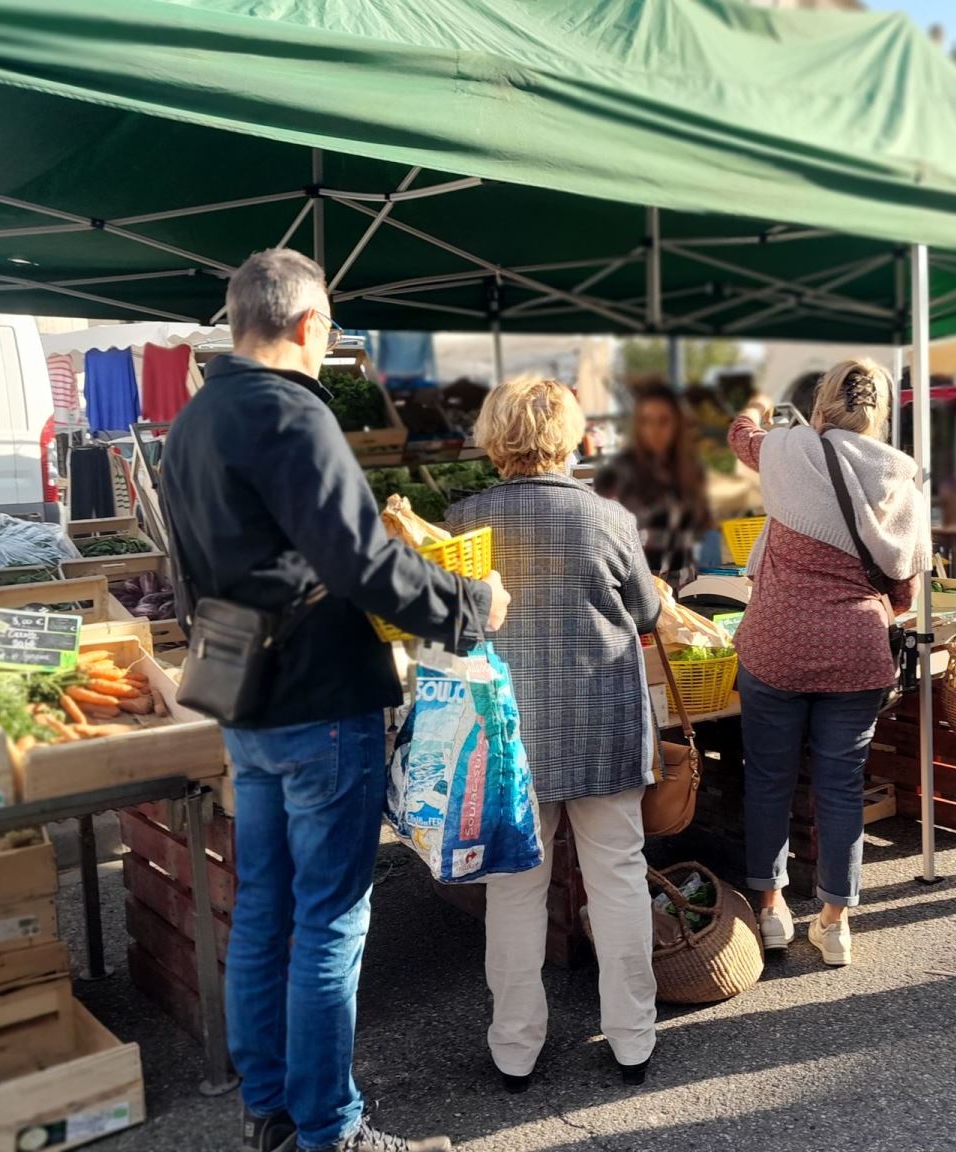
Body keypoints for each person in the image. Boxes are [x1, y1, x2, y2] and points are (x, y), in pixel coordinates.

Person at [162, 249, 509, 1152]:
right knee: (329, 919)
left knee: (266, 907)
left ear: (239, 320)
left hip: (245, 700)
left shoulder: (192, 421)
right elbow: (363, 561)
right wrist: (470, 605)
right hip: (318, 701)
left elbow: (190, 572)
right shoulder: (289, 412)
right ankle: (331, 1131)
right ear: (311, 326)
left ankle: (270, 1113)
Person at [446, 376, 662, 1094]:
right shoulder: (611, 519)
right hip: (602, 720)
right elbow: (649, 610)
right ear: (569, 436)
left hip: (507, 732)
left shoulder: (465, 520)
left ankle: (515, 1049)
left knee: (513, 892)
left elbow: (452, 621)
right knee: (618, 879)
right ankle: (633, 1040)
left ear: (495, 435)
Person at [727, 360, 928, 968]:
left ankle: (771, 913)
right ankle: (836, 923)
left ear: (819, 403)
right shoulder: (902, 477)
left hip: (775, 646)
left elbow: (741, 437)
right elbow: (903, 592)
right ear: (882, 411)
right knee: (841, 787)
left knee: (769, 780)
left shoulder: (787, 451)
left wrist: (757, 406)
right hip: (857, 651)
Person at [594, 382, 712, 590]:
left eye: (663, 421)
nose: (654, 430)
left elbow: (700, 528)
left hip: (683, 584)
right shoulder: (618, 472)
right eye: (646, 421)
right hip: (637, 588)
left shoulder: (691, 470)